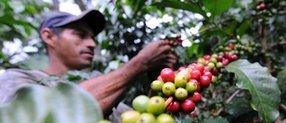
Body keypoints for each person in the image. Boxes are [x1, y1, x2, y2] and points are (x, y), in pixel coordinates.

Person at [0, 9, 177, 116]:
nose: (92, 44)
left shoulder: (101, 85)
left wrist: (160, 82)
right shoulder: (17, 79)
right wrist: (139, 64)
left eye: (92, 38)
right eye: (80, 34)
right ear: (49, 36)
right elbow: (49, 118)